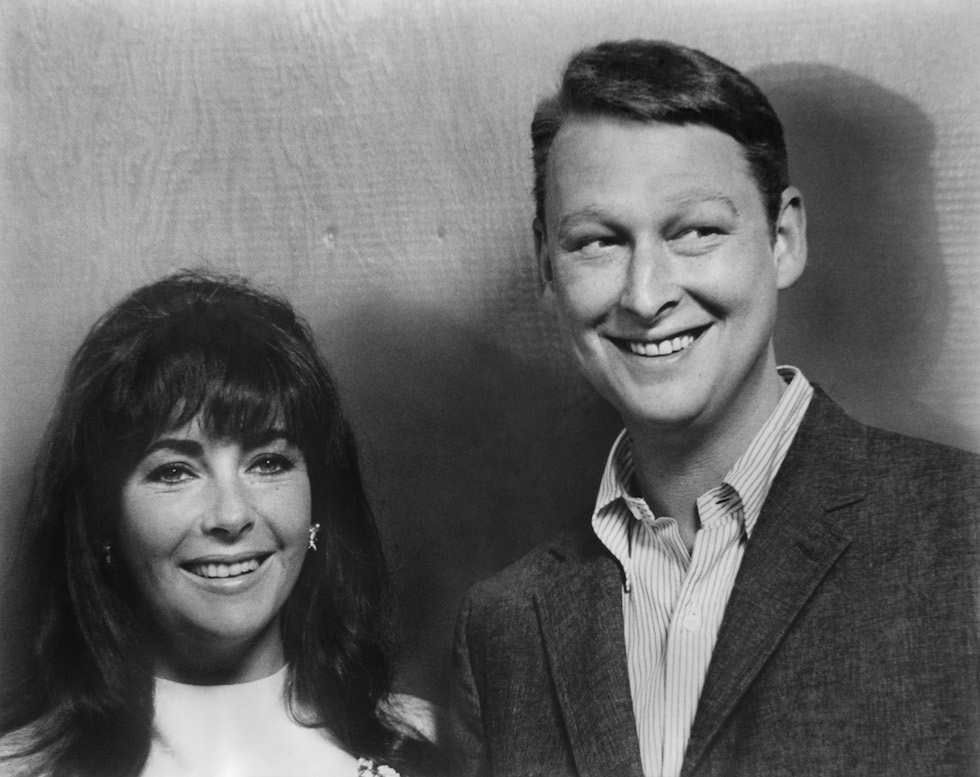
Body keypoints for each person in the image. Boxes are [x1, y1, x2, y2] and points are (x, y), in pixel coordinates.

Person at [450, 39, 980, 777]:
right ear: (547, 268)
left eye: (696, 231)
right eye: (597, 242)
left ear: (783, 239)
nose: (646, 295)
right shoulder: (503, 628)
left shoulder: (963, 532)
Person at [0, 271, 431, 777]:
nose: (231, 515)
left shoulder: (434, 745)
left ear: (318, 503)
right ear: (101, 522)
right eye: (174, 472)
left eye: (268, 463)